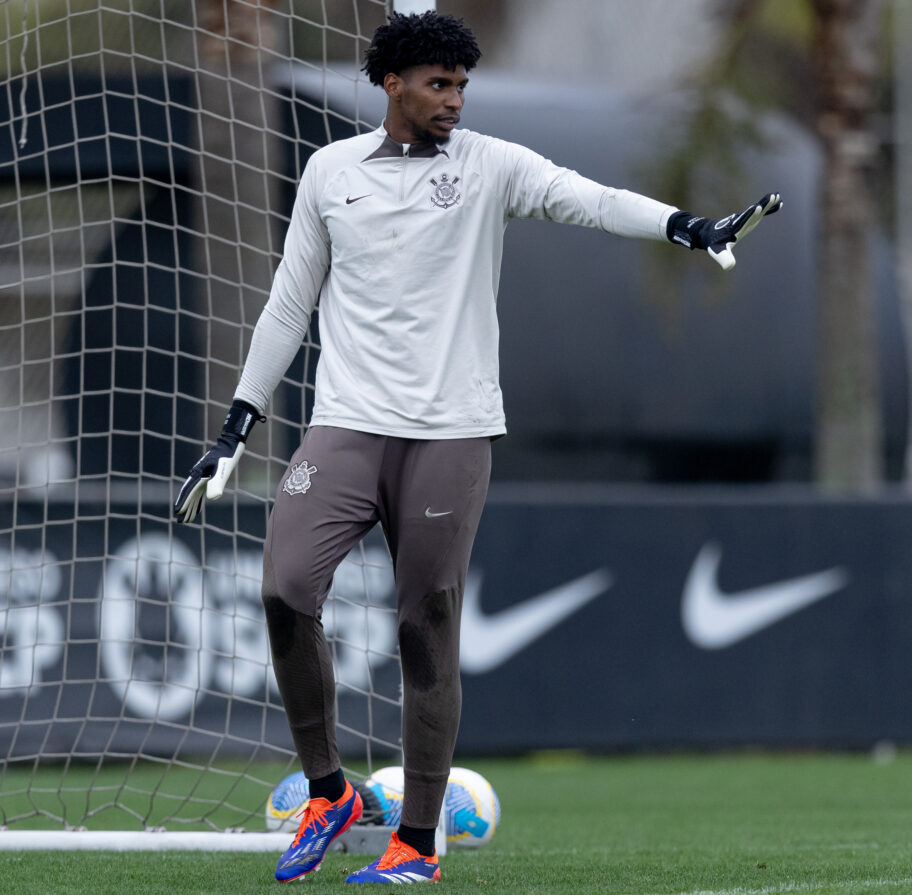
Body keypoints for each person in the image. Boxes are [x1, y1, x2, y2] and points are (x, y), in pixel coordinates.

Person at [174, 10, 782, 885]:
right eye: (438, 84)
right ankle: (329, 790)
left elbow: (591, 198)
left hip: (451, 433)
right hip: (345, 425)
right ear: (392, 84)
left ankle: (416, 840)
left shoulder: (491, 165)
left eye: (462, 85)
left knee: (427, 627)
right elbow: (286, 304)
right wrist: (237, 423)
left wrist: (691, 227)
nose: (455, 100)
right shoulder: (329, 172)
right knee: (283, 586)